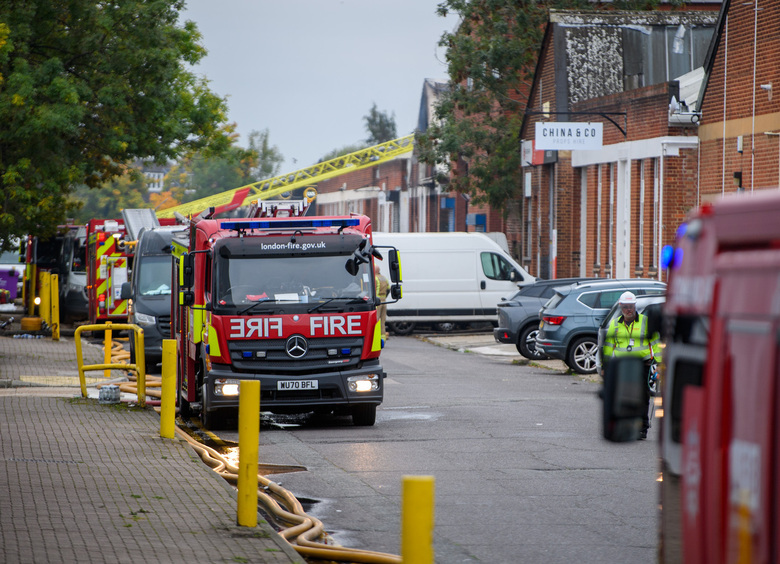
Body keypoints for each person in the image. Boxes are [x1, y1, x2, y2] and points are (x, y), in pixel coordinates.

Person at [602, 291, 661, 440]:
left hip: (643, 365)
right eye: (626, 307)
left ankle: (642, 428)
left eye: (631, 306)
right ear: (621, 307)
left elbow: (656, 344)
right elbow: (608, 346)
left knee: (642, 397)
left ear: (635, 306)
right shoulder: (615, 324)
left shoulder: (646, 322)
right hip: (623, 366)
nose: (629, 310)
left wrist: (660, 364)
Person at [374, 263, 389, 339]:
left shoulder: (375, 278)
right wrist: (384, 297)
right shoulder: (384, 278)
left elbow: (374, 290)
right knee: (383, 321)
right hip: (384, 301)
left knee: (376, 320)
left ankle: (376, 338)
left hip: (377, 301)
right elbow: (388, 289)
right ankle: (383, 338)